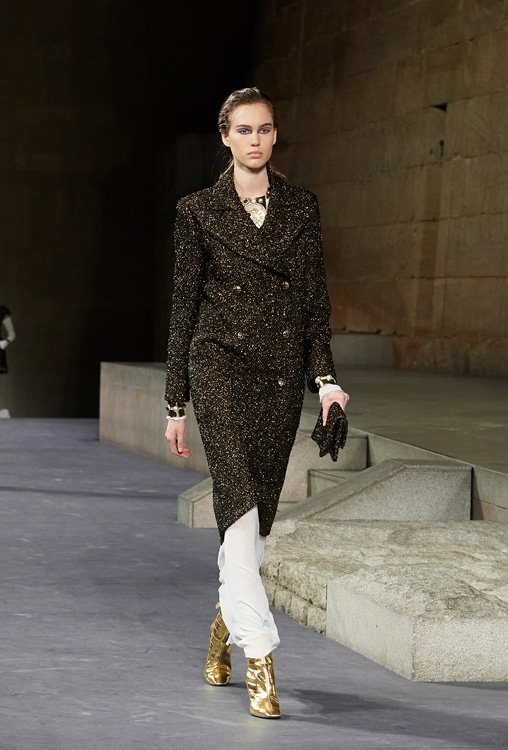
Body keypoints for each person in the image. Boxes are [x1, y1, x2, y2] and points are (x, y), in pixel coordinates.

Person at [164, 87, 350, 719]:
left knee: (257, 518)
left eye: (264, 129)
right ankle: (261, 658)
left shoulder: (302, 206)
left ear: (275, 135)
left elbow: (314, 301)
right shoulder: (198, 210)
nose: (255, 140)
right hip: (218, 364)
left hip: (279, 374)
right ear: (225, 136)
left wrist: (325, 380)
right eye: (243, 130)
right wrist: (175, 402)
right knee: (238, 501)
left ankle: (225, 624)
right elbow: (184, 306)